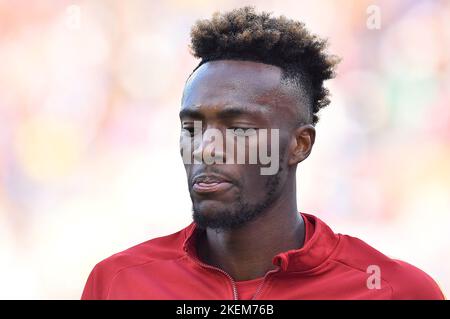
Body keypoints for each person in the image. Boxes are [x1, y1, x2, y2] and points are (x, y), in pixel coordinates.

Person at [81, 6, 445, 300]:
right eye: (191, 127)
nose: (206, 148)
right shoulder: (118, 283)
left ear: (299, 145)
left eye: (238, 129)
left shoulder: (394, 291)